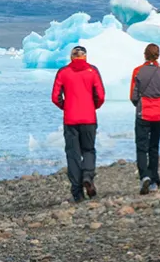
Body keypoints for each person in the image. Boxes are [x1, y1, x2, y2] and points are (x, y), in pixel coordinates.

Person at [50, 45, 104, 202]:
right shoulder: (92, 71)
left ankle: (77, 192)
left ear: (71, 57)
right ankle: (87, 175)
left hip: (71, 119)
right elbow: (100, 95)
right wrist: (93, 106)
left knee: (72, 154)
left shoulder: (63, 72)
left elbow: (55, 96)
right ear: (85, 57)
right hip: (88, 118)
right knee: (88, 150)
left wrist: (65, 106)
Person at [129, 43, 160, 194]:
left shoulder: (137, 71)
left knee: (141, 147)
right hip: (159, 114)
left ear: (145, 54)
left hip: (143, 112)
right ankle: (154, 181)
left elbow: (133, 95)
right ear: (158, 55)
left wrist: (140, 104)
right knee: (154, 146)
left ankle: (144, 176)